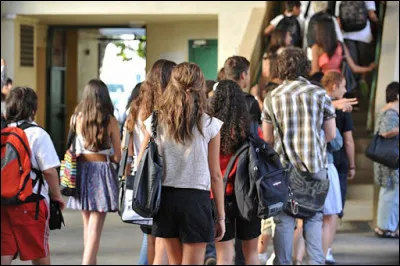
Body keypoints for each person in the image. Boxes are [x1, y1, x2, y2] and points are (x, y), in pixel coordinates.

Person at [135, 62, 226, 265]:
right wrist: (220, 217)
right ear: (200, 86)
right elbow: (215, 175)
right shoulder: (210, 124)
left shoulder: (156, 120)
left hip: (165, 200)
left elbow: (141, 161)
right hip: (196, 200)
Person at [262, 47, 336, 265]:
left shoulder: (272, 97)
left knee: (284, 222)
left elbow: (268, 139)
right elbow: (331, 134)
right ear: (305, 67)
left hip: (284, 172)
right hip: (316, 170)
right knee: (314, 219)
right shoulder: (320, 94)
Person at [1, 87, 65, 265]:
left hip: (3, 201)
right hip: (31, 202)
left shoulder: (3, 132)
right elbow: (49, 171)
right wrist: (57, 196)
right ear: (34, 110)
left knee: (4, 251)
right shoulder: (38, 134)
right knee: (39, 253)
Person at [293, 72, 348, 265]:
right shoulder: (324, 111)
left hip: (299, 168)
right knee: (329, 216)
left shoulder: (298, 114)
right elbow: (337, 142)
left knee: (302, 218)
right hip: (324, 165)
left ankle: (297, 259)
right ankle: (320, 258)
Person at [125, 59, 176, 265]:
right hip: (158, 178)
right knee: (160, 238)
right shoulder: (162, 111)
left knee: (150, 236)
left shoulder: (136, 108)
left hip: (142, 178)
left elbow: (127, 145)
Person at [66, 79, 121, 265]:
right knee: (95, 228)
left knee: (88, 225)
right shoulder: (110, 120)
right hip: (102, 172)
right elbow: (118, 156)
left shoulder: (76, 118)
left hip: (80, 171)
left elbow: (73, 146)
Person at [210, 80, 261, 265]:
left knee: (224, 255)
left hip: (218, 196)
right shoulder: (251, 129)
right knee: (251, 253)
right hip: (248, 196)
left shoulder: (211, 129)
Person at [373, 81, 399, 239]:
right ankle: (385, 227)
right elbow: (384, 132)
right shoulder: (390, 113)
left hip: (388, 158)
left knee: (391, 192)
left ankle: (387, 226)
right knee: (390, 193)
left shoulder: (389, 110)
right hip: (389, 160)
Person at [310, 17, 376, 76]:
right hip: (339, 82)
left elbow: (315, 71)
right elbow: (354, 68)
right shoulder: (340, 45)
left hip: (325, 83)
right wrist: (369, 68)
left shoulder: (316, 47)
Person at [224, 56, 262, 124]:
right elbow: (255, 131)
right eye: (249, 73)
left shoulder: (215, 99)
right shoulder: (250, 102)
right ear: (243, 75)